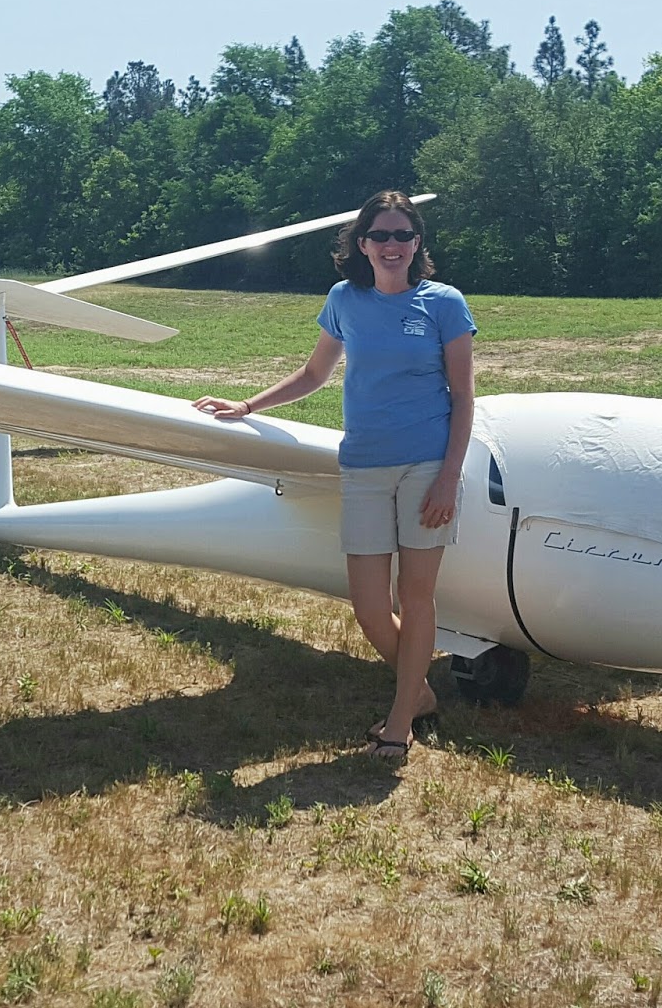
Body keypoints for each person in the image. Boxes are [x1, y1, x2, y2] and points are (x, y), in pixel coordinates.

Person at [193, 190, 476, 760]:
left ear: (417, 243)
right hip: (364, 465)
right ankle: (416, 691)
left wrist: (449, 476)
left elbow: (464, 398)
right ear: (363, 244)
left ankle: (400, 723)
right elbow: (314, 372)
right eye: (381, 235)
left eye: (403, 235)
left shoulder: (443, 303)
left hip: (426, 465)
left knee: (415, 595)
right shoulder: (344, 299)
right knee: (370, 606)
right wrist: (247, 406)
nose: (392, 245)